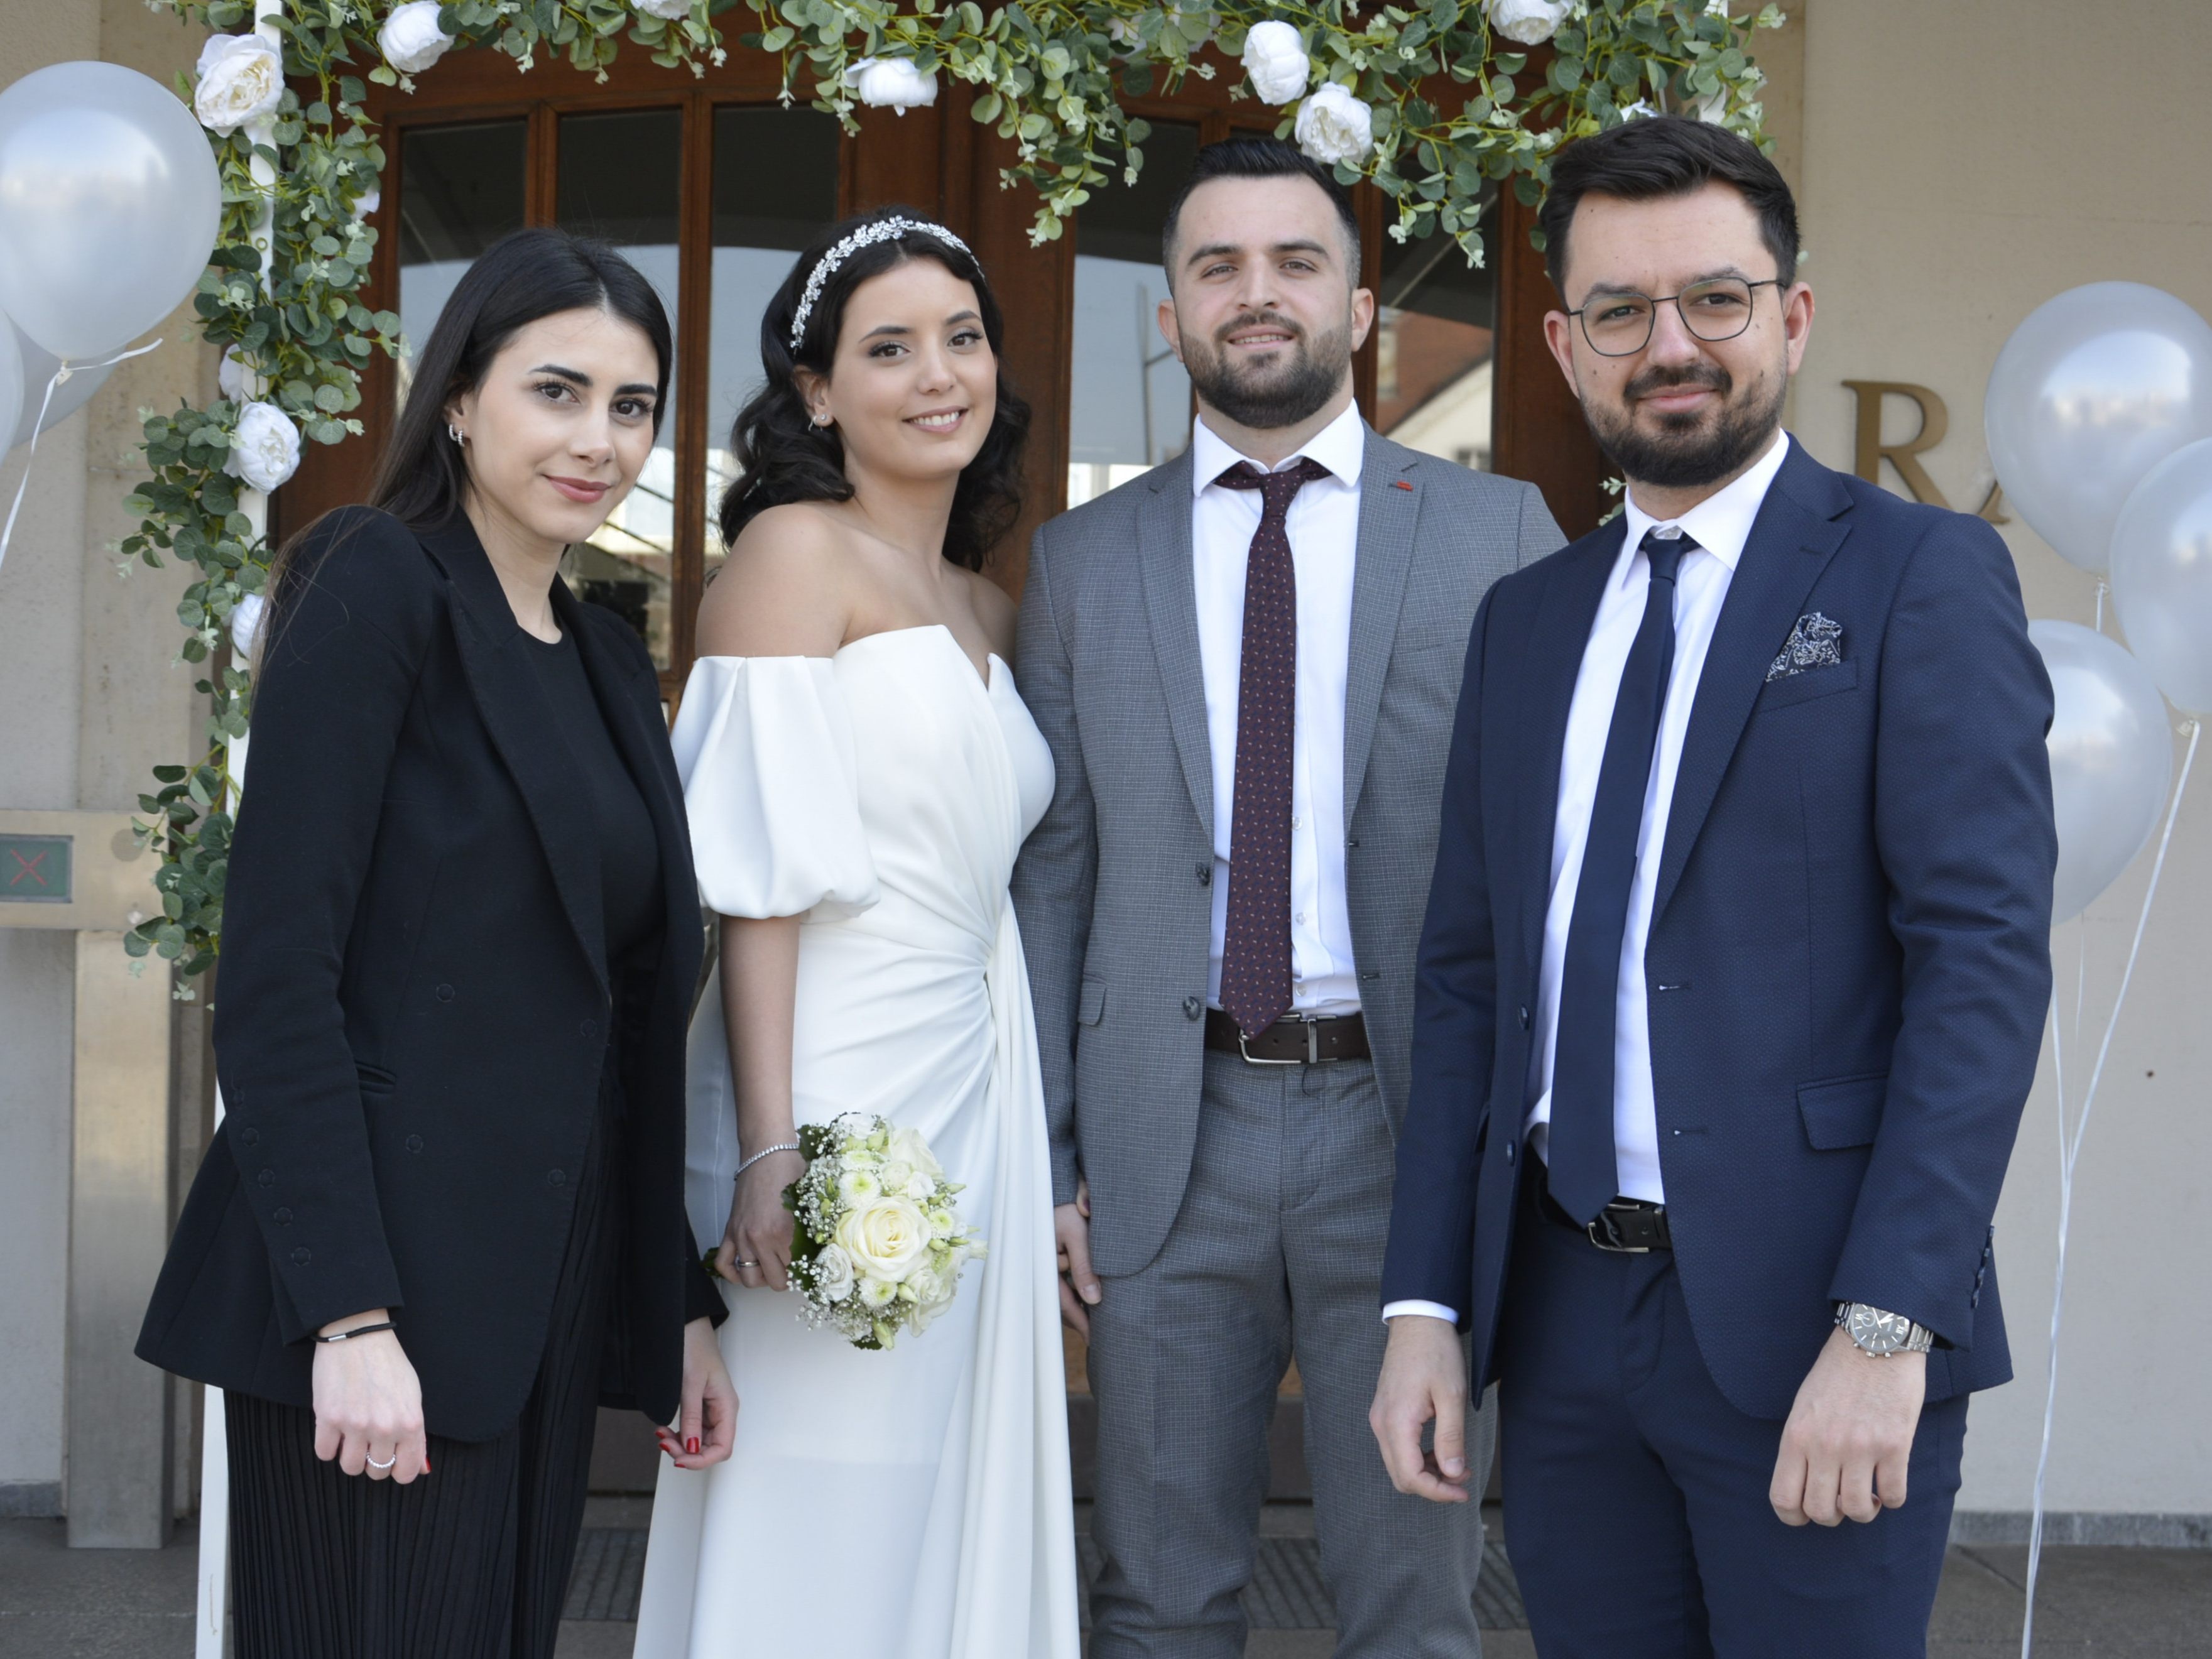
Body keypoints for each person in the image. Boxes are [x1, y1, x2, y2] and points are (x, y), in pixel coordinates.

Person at [1371, 114, 2057, 1655]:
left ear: (1793, 317)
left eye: (1716, 300)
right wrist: (1428, 1306)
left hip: (1818, 1320)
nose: (1669, 344)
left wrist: (1889, 1322)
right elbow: (1470, 977)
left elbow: (1983, 963)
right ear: (1562, 343)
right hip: (1559, 1322)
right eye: (1621, 310)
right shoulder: (1526, 623)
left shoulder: (1915, 576)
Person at [134, 227, 738, 1658]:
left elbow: (618, 1014)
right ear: (459, 399)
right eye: (558, 390)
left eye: (632, 405)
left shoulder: (600, 649)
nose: (599, 439)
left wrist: (676, 1309)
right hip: (376, 1297)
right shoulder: (371, 578)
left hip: (544, 1285)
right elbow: (279, 976)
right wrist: (347, 1317)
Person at [1013, 138, 1563, 1658]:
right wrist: (1053, 1149)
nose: (1258, 296)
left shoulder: (1499, 533)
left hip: (1409, 1137)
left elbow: (1559, 858)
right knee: (1156, 1596)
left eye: (1295, 262)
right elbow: (1056, 875)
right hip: (1157, 1142)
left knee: (1414, 1599)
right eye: (1216, 267)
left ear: (1361, 303)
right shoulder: (1077, 562)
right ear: (1171, 316)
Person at [630, 209, 1080, 1658]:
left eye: (963, 338)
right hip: (829, 1088)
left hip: (976, 1085)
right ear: (818, 389)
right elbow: (759, 885)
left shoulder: (990, 609)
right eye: (889, 348)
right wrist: (772, 1153)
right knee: (823, 1484)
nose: (938, 373)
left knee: (940, 1479)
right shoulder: (789, 554)